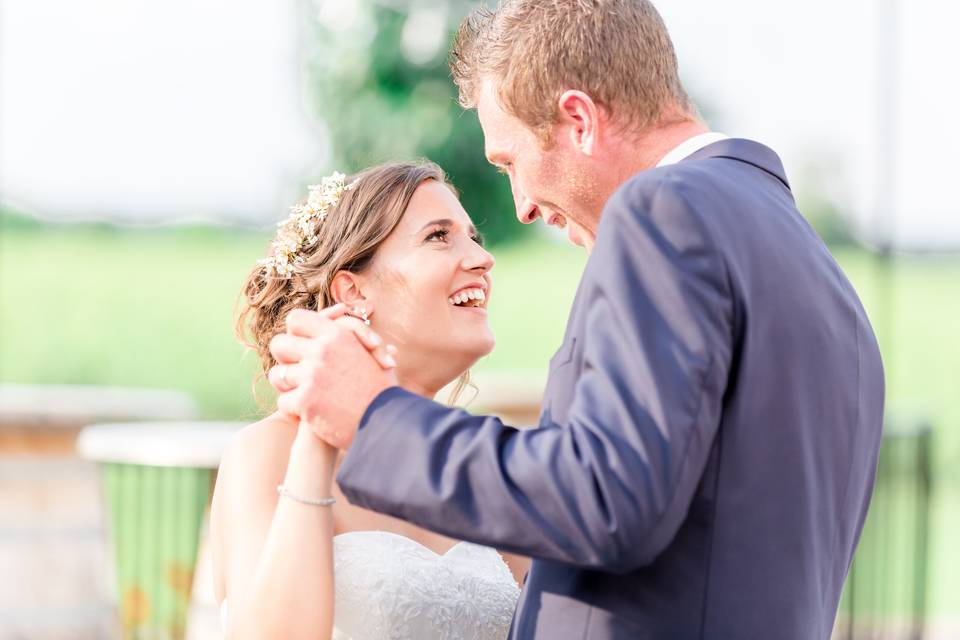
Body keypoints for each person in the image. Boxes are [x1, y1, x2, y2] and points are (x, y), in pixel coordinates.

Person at [270, 1, 886, 638]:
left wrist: (377, 416)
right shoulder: (817, 270)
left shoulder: (665, 211)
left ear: (579, 120)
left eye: (510, 162)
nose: (523, 207)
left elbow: (607, 497)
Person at [209, 162, 529, 640]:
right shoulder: (264, 453)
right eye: (439, 236)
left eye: (474, 237)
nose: (483, 259)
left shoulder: (473, 460)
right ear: (353, 291)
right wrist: (318, 437)